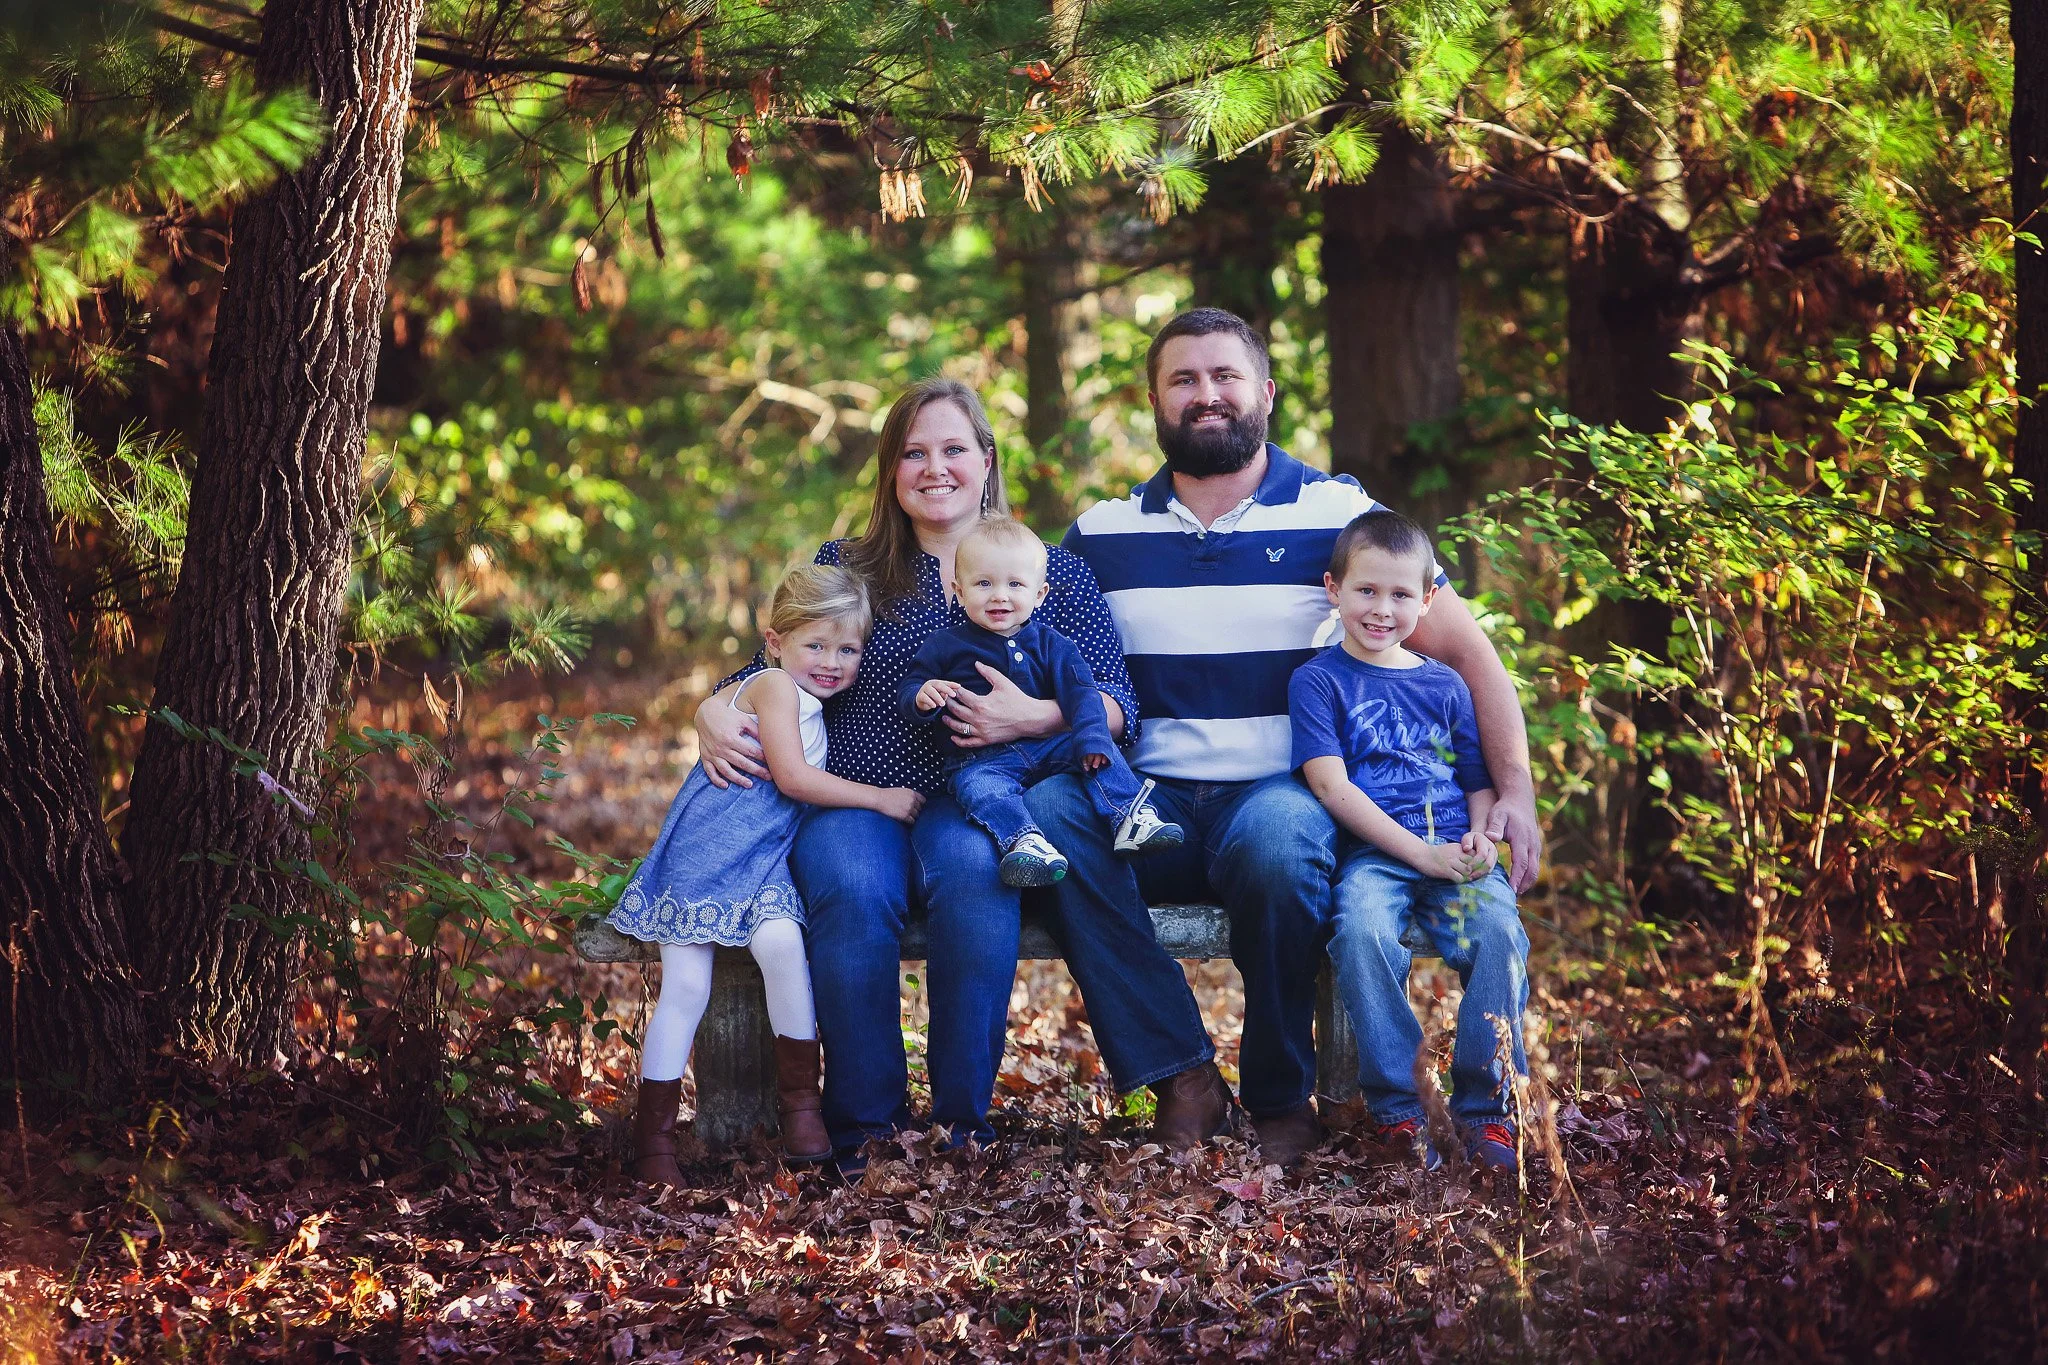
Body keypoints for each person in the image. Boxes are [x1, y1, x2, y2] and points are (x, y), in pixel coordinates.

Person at [1056, 307, 1544, 1169]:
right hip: (1146, 800)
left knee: (1282, 845)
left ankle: (1282, 1097)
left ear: (1266, 393)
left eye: (1225, 376)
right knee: (1052, 815)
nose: (1206, 394)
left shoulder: (1337, 512)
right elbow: (1034, 648)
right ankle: (1182, 1074)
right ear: (1154, 401)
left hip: (1281, 792)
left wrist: (1514, 791)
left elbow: (1469, 652)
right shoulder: (1100, 535)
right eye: (1183, 379)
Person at [690, 378, 1223, 1164]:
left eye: (951, 449)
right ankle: (865, 1123)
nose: (933, 467)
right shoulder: (850, 566)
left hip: (983, 797)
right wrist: (708, 708)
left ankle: (961, 1121)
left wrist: (1033, 717)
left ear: (985, 461)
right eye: (913, 452)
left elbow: (1116, 696)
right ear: (890, 471)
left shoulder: (1046, 569)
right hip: (857, 797)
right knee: (848, 881)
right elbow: (767, 662)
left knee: (980, 873)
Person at [609, 565, 924, 1181]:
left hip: (766, 857)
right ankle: (655, 1145)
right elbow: (794, 780)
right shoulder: (776, 686)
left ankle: (802, 1108)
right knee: (687, 989)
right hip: (714, 850)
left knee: (783, 947)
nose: (833, 661)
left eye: (848, 648)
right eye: (816, 645)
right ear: (775, 642)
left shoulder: (797, 691)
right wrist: (882, 797)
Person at [1291, 509, 1530, 1172]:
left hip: (1454, 852)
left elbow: (1476, 777)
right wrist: (1418, 853)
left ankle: (1485, 1112)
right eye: (1366, 590)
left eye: (1400, 595)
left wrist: (1483, 834)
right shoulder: (1318, 681)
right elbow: (1332, 787)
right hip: (1376, 857)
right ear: (1333, 588)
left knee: (1500, 937)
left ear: (1427, 600)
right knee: (1361, 932)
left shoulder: (1443, 683)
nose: (1381, 608)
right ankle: (1399, 1108)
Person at [899, 515, 1184, 887]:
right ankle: (1025, 842)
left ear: (1039, 594)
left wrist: (1094, 738)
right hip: (980, 760)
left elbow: (1083, 696)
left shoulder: (1054, 645)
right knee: (979, 789)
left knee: (1097, 751)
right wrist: (922, 698)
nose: (999, 595)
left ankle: (1130, 815)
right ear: (960, 590)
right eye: (983, 583)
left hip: (1049, 747)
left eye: (1015, 584)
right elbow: (911, 687)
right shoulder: (945, 645)